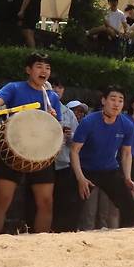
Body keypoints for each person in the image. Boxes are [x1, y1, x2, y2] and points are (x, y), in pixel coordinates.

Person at [0, 52, 61, 234]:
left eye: (47, 67)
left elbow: (56, 129)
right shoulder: (14, 88)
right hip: (14, 149)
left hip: (42, 153)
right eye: (39, 66)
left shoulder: (52, 98)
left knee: (46, 203)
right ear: (28, 69)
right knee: (2, 200)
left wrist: (53, 120)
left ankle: (40, 245)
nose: (44, 71)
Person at [70, 85, 134, 228]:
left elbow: (126, 153)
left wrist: (127, 177)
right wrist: (80, 178)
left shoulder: (127, 125)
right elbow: (74, 151)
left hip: (109, 170)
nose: (116, 104)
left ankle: (131, 237)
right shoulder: (89, 121)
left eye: (120, 100)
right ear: (103, 101)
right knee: (70, 210)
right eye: (112, 99)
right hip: (85, 169)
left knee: (130, 207)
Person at [49, 77, 82, 232]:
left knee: (63, 201)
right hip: (41, 164)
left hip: (63, 163)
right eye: (54, 86)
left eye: (60, 87)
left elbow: (77, 141)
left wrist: (70, 135)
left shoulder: (68, 113)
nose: (57, 90)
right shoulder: (38, 110)